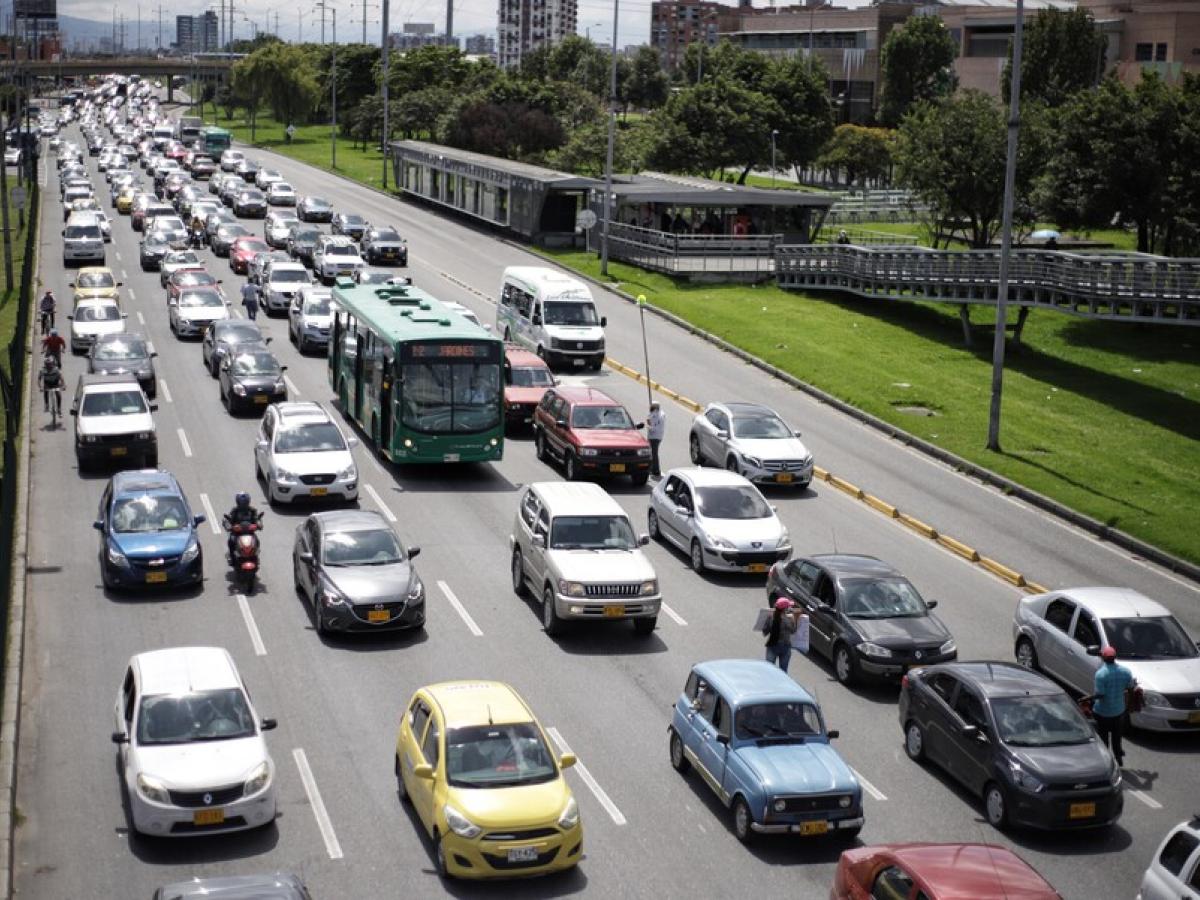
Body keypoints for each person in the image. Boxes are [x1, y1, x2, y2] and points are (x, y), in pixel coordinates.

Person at [1092, 645, 1135, 767]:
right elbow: (1131, 689)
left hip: (1103, 712)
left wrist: (1090, 698)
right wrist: (1130, 704)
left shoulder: (1101, 674)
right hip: (1119, 711)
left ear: (1103, 658)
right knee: (1117, 737)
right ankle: (1118, 757)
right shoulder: (1126, 672)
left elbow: (1100, 695)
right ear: (1114, 657)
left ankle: (1106, 763)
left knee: (1104, 738)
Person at [762, 597, 799, 672]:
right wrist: (794, 620)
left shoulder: (771, 617)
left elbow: (764, 632)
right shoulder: (788, 619)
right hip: (785, 647)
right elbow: (793, 631)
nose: (790, 608)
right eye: (788, 606)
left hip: (772, 645)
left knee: (768, 670)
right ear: (785, 609)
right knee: (783, 671)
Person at [224, 492, 262, 559]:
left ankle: (255, 556)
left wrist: (258, 524)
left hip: (249, 532)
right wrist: (229, 526)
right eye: (241, 502)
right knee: (231, 540)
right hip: (237, 533)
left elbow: (256, 519)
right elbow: (229, 519)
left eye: (245, 502)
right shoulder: (234, 510)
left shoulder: (252, 510)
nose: (243, 504)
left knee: (257, 541)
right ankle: (232, 556)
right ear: (238, 502)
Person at [646, 401, 666, 479]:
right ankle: (652, 469)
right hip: (655, 436)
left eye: (652, 407)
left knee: (654, 453)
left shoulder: (657, 415)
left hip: (654, 436)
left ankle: (656, 470)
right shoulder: (660, 413)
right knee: (652, 453)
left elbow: (654, 427)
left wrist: (649, 426)